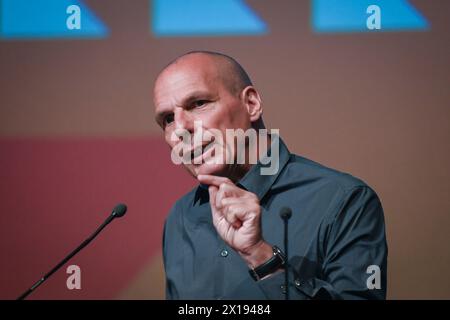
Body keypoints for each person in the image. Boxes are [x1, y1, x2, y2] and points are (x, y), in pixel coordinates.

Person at [153, 51, 388, 300]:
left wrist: (260, 256)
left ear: (251, 104)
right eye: (168, 119)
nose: (180, 129)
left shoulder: (345, 201)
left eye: (198, 103)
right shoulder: (181, 216)